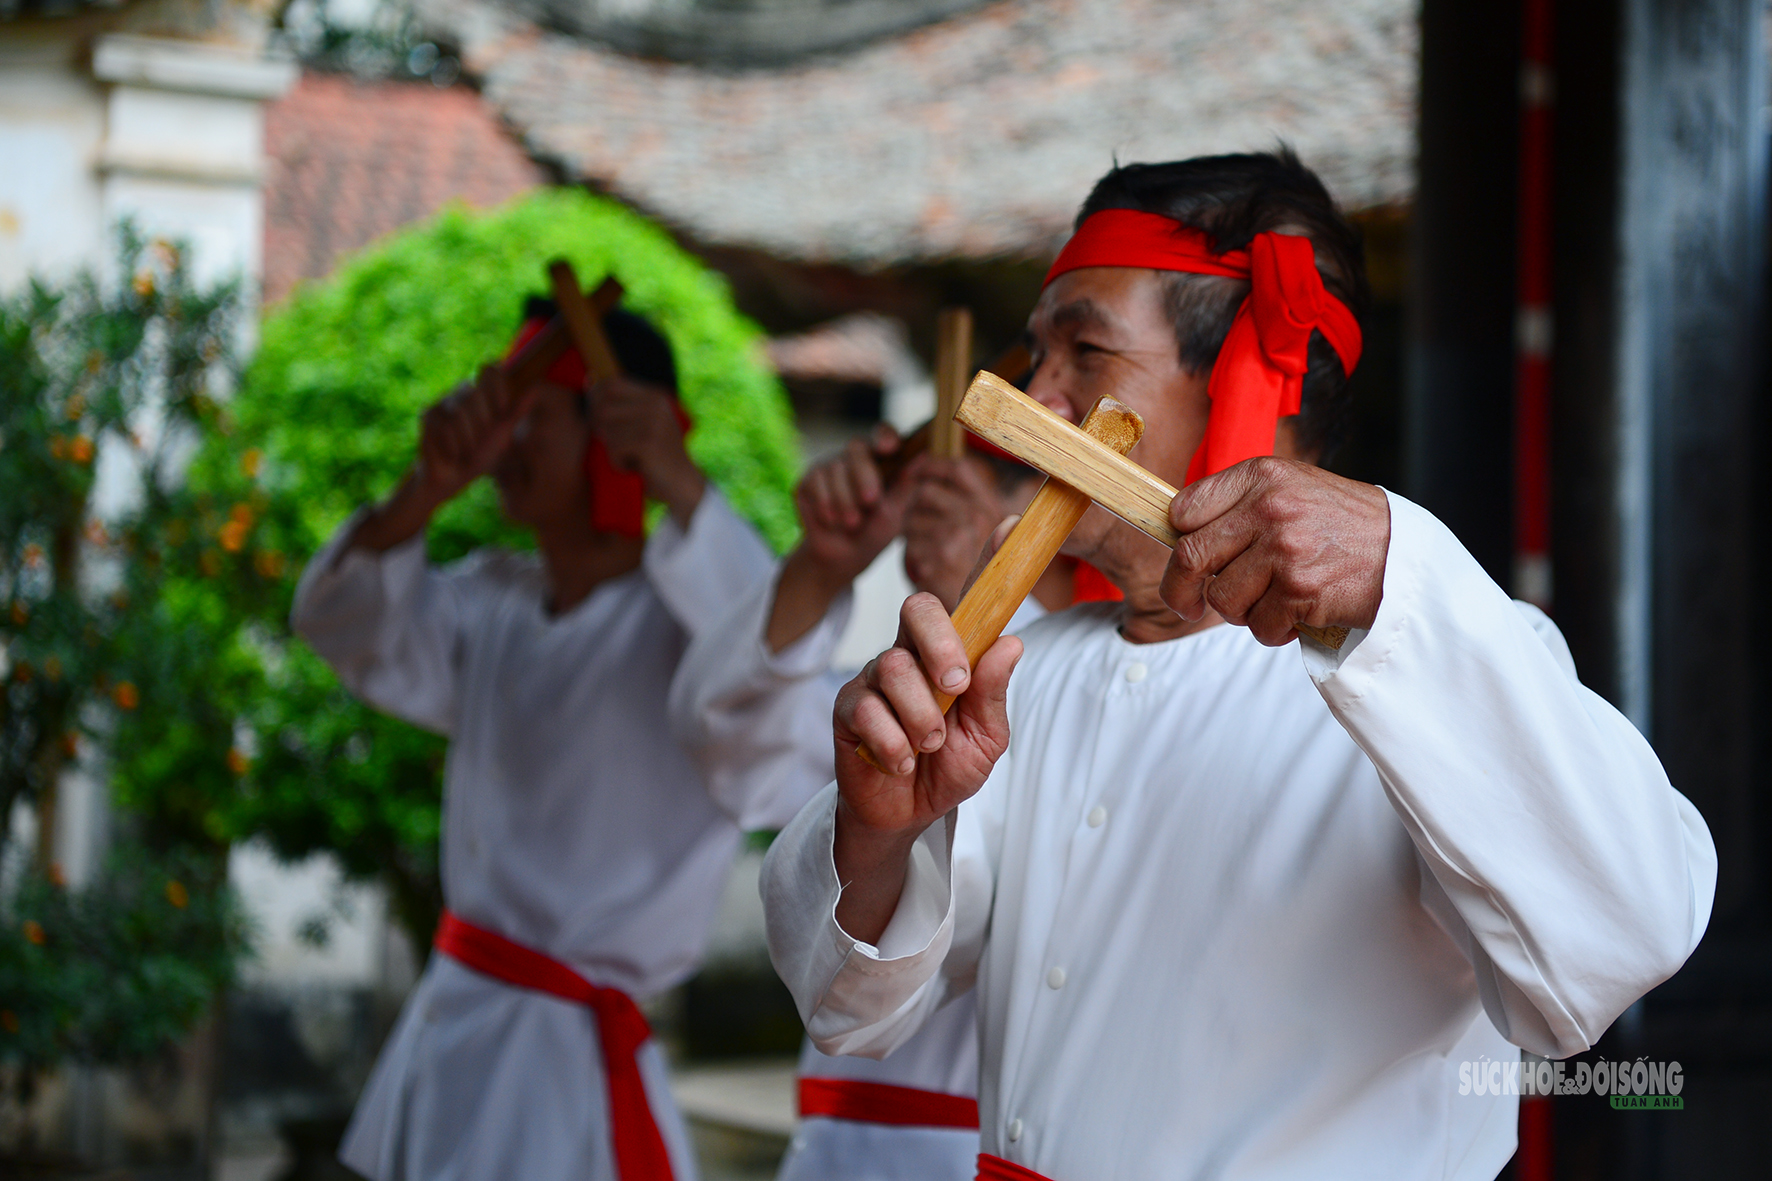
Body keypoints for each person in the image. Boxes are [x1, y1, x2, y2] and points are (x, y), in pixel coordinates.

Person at [760, 152, 1717, 1181]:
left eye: (1083, 351)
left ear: (1251, 382)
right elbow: (853, 1005)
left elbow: (1624, 935)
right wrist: (876, 830)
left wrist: (1400, 564)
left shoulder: (1433, 665)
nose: (1031, 398)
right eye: (1034, 354)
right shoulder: (1023, 679)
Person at [293, 297, 799, 1181]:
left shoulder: (684, 634)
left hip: (561, 1070)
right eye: (504, 413)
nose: (508, 440)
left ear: (616, 434)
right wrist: (429, 485)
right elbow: (340, 623)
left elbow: (773, 659)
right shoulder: (495, 598)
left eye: (537, 415)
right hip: (451, 1024)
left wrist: (678, 479)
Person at [671, 429, 1071, 1180]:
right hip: (831, 1144)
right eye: (936, 486)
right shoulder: (877, 702)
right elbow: (718, 731)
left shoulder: (1081, 695)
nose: (942, 508)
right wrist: (821, 568)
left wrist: (998, 594)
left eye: (1005, 491)